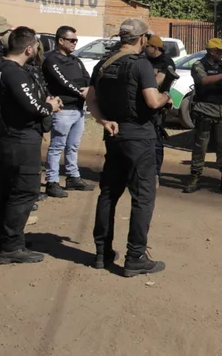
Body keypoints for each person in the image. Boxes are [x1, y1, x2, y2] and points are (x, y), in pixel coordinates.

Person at [87, 19, 170, 276]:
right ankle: (135, 256)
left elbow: (90, 100)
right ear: (142, 39)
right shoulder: (141, 64)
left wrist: (105, 121)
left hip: (114, 135)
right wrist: (166, 97)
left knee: (109, 193)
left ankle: (102, 252)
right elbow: (152, 101)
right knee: (143, 196)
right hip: (140, 137)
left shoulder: (103, 64)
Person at [0, 27, 63, 264]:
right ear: (29, 48)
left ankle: (1, 240)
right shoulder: (15, 73)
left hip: (0, 137)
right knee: (23, 191)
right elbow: (33, 107)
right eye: (35, 46)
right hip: (19, 140)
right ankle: (11, 247)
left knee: (0, 190)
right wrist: (51, 106)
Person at [42, 26, 94, 198]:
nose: (74, 43)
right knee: (57, 146)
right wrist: (81, 92)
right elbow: (62, 81)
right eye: (71, 40)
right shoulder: (51, 60)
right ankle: (52, 181)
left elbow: (86, 77)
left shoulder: (75, 60)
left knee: (73, 146)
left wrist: (88, 90)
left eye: (76, 40)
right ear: (60, 40)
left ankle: (73, 177)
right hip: (62, 110)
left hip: (78, 110)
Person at [184, 38, 222, 194]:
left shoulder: (221, 65)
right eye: (220, 50)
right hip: (205, 109)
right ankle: (195, 176)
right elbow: (204, 81)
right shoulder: (199, 65)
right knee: (201, 145)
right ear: (211, 51)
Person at [145, 35, 178, 182]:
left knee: (157, 143)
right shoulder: (143, 60)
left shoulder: (166, 62)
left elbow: (158, 82)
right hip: (143, 104)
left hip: (158, 106)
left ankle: (156, 173)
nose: (145, 48)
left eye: (148, 46)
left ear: (155, 47)